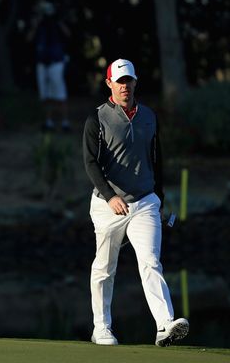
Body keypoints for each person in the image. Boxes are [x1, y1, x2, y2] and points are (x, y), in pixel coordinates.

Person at [82, 58, 189, 347]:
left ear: (135, 82)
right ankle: (101, 327)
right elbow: (90, 164)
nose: (124, 86)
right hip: (107, 206)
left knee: (151, 262)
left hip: (144, 203)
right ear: (109, 84)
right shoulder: (97, 119)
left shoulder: (149, 117)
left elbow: (157, 159)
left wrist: (159, 198)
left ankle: (165, 325)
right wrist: (110, 195)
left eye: (128, 80)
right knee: (104, 268)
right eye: (119, 81)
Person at [26, 0, 71, 132]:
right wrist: (35, 24)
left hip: (56, 62)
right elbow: (29, 39)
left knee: (60, 94)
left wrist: (57, 20)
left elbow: (68, 35)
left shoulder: (56, 23)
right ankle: (49, 122)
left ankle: (65, 123)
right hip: (42, 63)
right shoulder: (38, 24)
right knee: (46, 95)